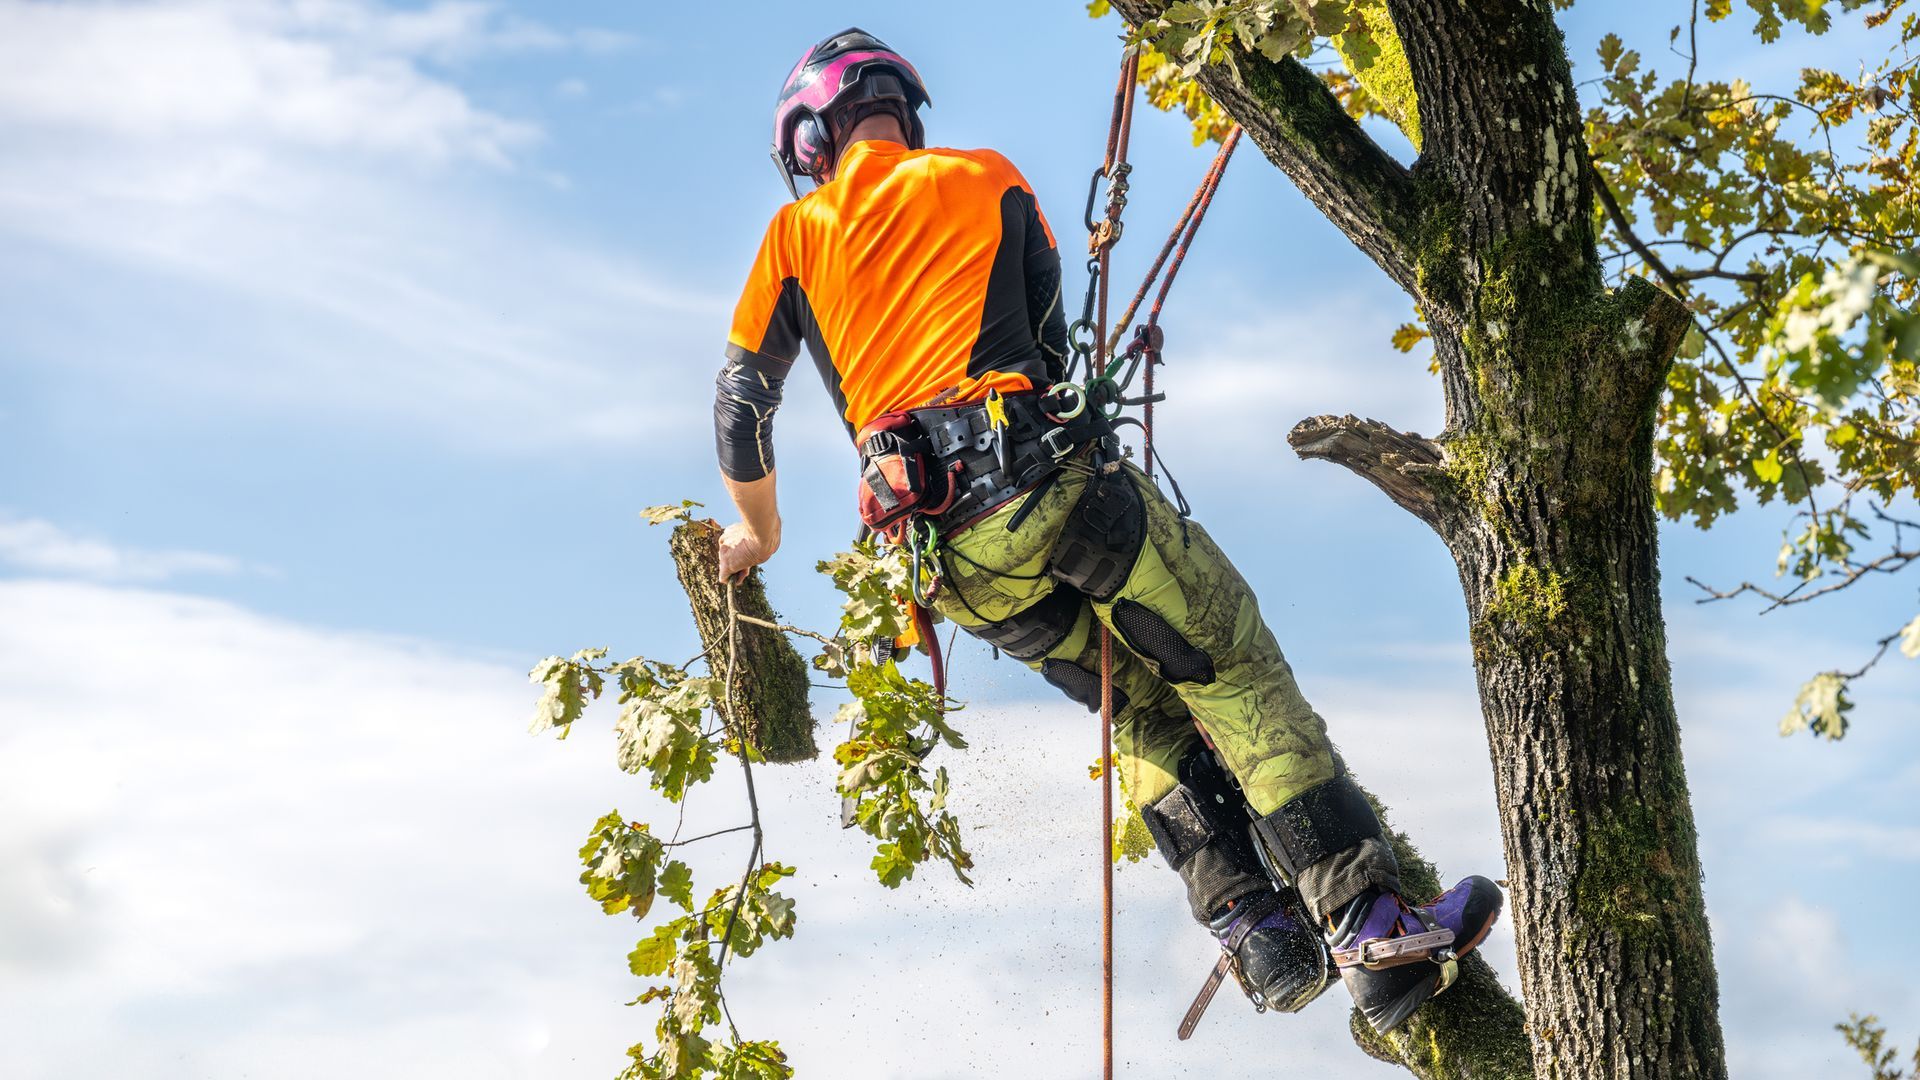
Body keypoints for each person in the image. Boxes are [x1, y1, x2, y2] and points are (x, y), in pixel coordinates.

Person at [711, 27, 1501, 1035]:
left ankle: (1256, 928)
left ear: (811, 143)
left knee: (1142, 715)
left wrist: (756, 534)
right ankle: (1366, 926)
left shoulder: (793, 241)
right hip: (1053, 493)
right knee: (1228, 669)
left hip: (949, 567)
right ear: (901, 113)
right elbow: (1046, 344)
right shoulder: (985, 177)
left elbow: (742, 403)